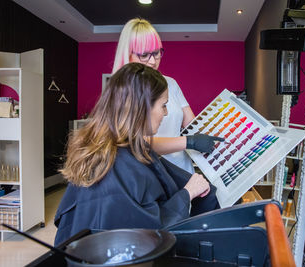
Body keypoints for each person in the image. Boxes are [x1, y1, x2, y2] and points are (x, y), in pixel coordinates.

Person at [54, 63, 219, 245]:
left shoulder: (107, 147)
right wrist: (187, 193)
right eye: (163, 106)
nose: (165, 113)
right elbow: (144, 232)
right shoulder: (119, 163)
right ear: (143, 108)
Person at [112, 18, 223, 173]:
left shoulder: (170, 83)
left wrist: (219, 131)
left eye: (156, 53)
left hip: (183, 169)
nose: (152, 61)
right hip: (151, 173)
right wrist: (188, 142)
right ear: (128, 54)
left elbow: (192, 123)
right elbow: (135, 144)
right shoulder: (123, 92)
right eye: (144, 54)